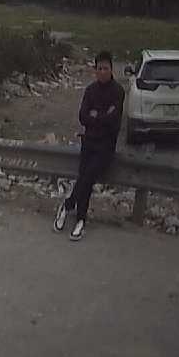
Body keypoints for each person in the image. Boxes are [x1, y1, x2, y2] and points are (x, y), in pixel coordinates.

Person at [55, 50, 125, 241]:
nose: (102, 72)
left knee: (87, 177)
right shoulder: (90, 90)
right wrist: (100, 116)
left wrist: (96, 116)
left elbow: (113, 121)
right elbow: (83, 116)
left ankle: (68, 205)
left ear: (111, 69)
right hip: (89, 142)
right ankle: (80, 219)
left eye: (106, 68)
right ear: (95, 70)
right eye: (99, 68)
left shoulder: (118, 91)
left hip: (106, 146)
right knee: (84, 179)